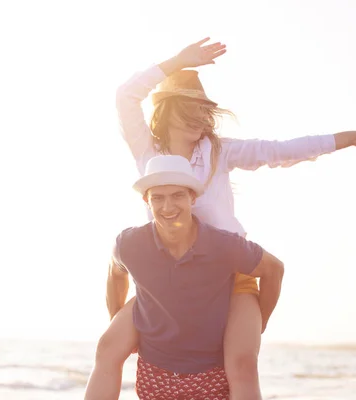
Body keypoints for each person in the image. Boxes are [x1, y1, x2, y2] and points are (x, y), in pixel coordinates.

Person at [85, 37, 356, 400]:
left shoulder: (219, 152)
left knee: (242, 364)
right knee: (107, 348)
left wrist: (349, 138)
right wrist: (176, 61)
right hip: (166, 278)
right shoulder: (148, 151)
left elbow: (280, 151)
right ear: (167, 110)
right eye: (191, 109)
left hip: (231, 275)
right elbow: (125, 95)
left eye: (204, 110)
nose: (201, 117)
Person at [107, 154, 284, 399]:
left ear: (193, 197)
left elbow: (274, 268)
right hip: (160, 347)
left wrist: (261, 321)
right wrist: (117, 321)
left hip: (231, 296)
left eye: (178, 195)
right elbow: (115, 272)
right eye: (158, 198)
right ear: (147, 200)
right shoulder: (129, 242)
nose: (168, 207)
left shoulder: (223, 244)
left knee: (243, 364)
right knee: (107, 346)